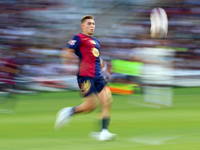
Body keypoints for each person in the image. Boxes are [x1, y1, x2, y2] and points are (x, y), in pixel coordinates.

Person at [54, 15, 116, 141]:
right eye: (89, 24)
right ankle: (68, 112)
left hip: (97, 76)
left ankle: (104, 132)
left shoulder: (96, 42)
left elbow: (96, 58)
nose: (92, 26)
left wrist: (105, 68)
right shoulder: (79, 38)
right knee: (90, 106)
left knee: (107, 101)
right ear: (83, 26)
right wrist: (67, 64)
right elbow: (67, 51)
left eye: (93, 24)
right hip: (85, 76)